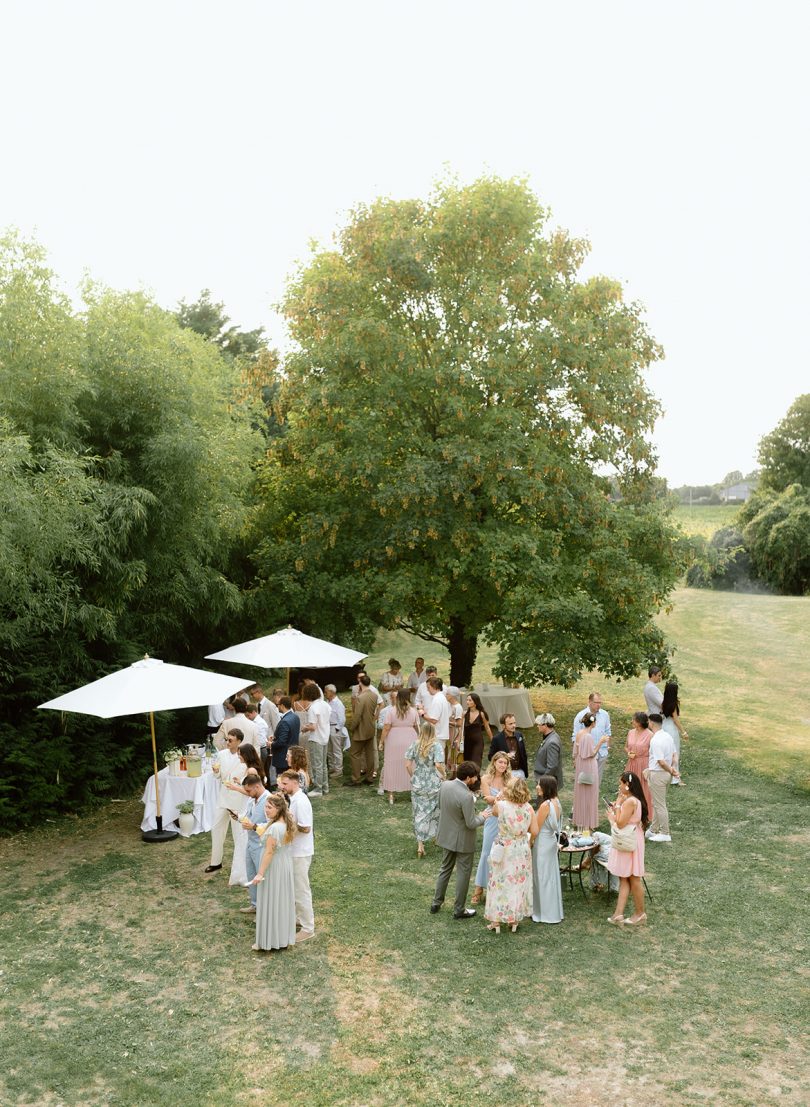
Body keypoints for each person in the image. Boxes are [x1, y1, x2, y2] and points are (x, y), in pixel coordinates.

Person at [430, 761, 492, 918]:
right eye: (475, 777)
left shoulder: (445, 785)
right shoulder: (466, 796)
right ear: (469, 778)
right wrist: (483, 816)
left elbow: (440, 805)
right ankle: (459, 909)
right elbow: (471, 823)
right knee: (463, 875)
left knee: (445, 869)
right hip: (463, 840)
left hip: (446, 835)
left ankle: (436, 903)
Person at [248, 792, 297, 951]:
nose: (266, 810)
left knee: (271, 899)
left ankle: (268, 941)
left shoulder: (275, 827)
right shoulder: (285, 823)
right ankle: (281, 939)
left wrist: (260, 873)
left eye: (269, 807)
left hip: (274, 866)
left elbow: (269, 852)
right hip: (284, 865)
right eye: (265, 807)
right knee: (280, 900)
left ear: (278, 809)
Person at [484, 775, 534, 933]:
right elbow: (535, 830)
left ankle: (496, 922)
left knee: (498, 882)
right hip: (521, 848)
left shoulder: (501, 805)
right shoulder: (528, 808)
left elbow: (493, 813)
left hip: (504, 848)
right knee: (517, 884)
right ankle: (514, 921)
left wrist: (498, 797)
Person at [606, 770, 649, 925]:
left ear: (628, 785)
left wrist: (614, 811)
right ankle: (618, 913)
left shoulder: (631, 801)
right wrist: (618, 804)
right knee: (624, 877)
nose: (619, 786)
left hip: (630, 839)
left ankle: (640, 913)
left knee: (633, 877)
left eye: (621, 783)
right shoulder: (630, 800)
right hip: (629, 838)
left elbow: (621, 822)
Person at [205, 730, 248, 880]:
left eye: (230, 740)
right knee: (216, 828)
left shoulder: (243, 756)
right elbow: (218, 775)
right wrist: (215, 772)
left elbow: (249, 779)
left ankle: (240, 868)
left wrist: (239, 782)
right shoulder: (222, 754)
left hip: (237, 800)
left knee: (238, 835)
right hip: (223, 798)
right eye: (227, 740)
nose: (227, 743)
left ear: (238, 741)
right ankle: (216, 862)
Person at [278, 769, 315, 942]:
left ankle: (308, 928)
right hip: (294, 850)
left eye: (285, 784)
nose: (282, 787)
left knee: (302, 890)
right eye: (281, 784)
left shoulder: (301, 801)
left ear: (295, 782)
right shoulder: (293, 800)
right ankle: (299, 919)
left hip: (301, 852)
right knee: (294, 889)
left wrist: (288, 823)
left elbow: (306, 828)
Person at [471, 752, 512, 905]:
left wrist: (499, 799)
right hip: (492, 818)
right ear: (494, 762)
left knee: (504, 853)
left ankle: (499, 888)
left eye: (505, 763)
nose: (503, 765)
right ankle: (479, 889)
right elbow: (487, 799)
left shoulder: (510, 779)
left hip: (507, 818)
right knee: (487, 852)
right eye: (500, 762)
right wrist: (500, 798)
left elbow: (515, 797)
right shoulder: (485, 779)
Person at [404, 721, 446, 857]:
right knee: (435, 808)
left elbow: (407, 765)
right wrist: (444, 775)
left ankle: (420, 845)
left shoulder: (414, 744)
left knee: (419, 812)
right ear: (433, 732)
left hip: (418, 782)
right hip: (433, 782)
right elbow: (438, 765)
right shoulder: (436, 746)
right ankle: (435, 836)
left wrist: (412, 776)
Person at [530, 774, 564, 924]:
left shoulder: (545, 806)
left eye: (539, 784)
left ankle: (543, 912)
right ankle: (552, 910)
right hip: (550, 841)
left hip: (542, 842)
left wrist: (530, 841)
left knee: (541, 877)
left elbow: (535, 829)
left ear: (546, 788)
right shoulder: (557, 802)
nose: (537, 787)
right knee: (550, 876)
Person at [238, 772, 271, 913]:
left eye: (249, 790)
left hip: (262, 845)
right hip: (250, 843)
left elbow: (271, 825)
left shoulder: (269, 800)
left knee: (261, 877)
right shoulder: (252, 799)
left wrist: (253, 826)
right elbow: (249, 816)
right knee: (251, 874)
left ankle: (264, 909)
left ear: (257, 786)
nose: (247, 793)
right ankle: (255, 904)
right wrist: (239, 817)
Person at [379, 688, 419, 804]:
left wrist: (381, 742)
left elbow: (386, 728)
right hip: (410, 738)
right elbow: (417, 727)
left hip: (394, 739)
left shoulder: (391, 711)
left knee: (391, 764)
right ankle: (413, 792)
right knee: (411, 764)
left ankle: (391, 795)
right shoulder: (413, 711)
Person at [573, 712, 607, 833]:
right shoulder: (587, 736)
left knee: (581, 793)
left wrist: (575, 761)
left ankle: (580, 820)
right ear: (593, 722)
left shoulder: (579, 734)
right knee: (590, 793)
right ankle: (588, 823)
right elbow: (591, 753)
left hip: (580, 765)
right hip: (588, 765)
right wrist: (601, 742)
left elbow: (575, 752)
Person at [647, 714, 676, 842]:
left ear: (651, 723)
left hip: (658, 774)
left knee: (659, 805)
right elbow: (675, 754)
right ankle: (653, 829)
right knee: (657, 803)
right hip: (666, 774)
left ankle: (665, 833)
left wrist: (671, 770)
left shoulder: (655, 740)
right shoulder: (668, 736)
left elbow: (661, 761)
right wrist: (673, 768)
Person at [571, 692, 611, 784]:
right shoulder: (580, 716)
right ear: (589, 702)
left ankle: (595, 797)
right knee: (586, 781)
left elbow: (608, 732)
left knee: (597, 782)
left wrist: (607, 747)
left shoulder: (605, 714)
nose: (598, 705)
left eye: (600, 703)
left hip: (602, 753)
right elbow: (575, 737)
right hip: (586, 756)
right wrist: (575, 758)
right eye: (596, 702)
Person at [301, 683, 331, 796]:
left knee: (317, 764)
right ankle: (325, 786)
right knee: (323, 765)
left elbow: (313, 726)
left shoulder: (313, 708)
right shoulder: (325, 705)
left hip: (316, 738)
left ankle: (318, 789)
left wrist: (305, 728)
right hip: (325, 737)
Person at [348, 673, 378, 785]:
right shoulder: (374, 695)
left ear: (360, 683)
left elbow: (357, 715)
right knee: (369, 753)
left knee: (354, 753)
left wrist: (352, 727)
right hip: (370, 727)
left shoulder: (360, 698)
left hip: (361, 729)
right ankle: (369, 777)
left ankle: (356, 779)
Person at [624, 711, 654, 822]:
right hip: (631, 763)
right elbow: (626, 747)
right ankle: (629, 812)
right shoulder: (630, 732)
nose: (632, 721)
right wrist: (628, 753)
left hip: (643, 764)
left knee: (643, 789)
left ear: (640, 722)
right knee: (630, 788)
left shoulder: (650, 735)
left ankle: (644, 814)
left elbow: (653, 752)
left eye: (634, 720)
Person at [661, 681, 688, 784]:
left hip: (664, 727)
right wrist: (683, 732)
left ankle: (666, 775)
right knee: (674, 752)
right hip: (671, 729)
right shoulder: (673, 704)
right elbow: (676, 720)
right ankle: (676, 778)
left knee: (665, 752)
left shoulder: (664, 703)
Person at [488, 713, 529, 778]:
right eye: (510, 724)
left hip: (521, 772)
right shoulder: (497, 739)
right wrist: (504, 756)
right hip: (506, 773)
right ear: (503, 726)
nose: (514, 725)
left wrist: (525, 772)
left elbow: (524, 753)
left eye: (514, 723)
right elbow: (490, 757)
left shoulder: (519, 735)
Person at [270, 696, 300, 779]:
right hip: (293, 754)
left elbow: (282, 741)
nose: (277, 707)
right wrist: (276, 737)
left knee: (283, 779)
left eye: (278, 705)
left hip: (283, 757)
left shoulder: (285, 721)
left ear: (282, 705)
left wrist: (271, 744)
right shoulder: (295, 717)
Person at [533, 713, 562, 792]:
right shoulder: (552, 736)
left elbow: (552, 766)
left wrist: (542, 782)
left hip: (547, 784)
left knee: (545, 804)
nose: (537, 726)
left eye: (539, 724)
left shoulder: (552, 742)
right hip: (547, 781)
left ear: (545, 725)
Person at [462, 693, 492, 768]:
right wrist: (460, 740)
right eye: (467, 700)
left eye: (470, 700)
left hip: (478, 742)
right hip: (467, 742)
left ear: (475, 702)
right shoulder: (465, 713)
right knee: (467, 763)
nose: (467, 702)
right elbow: (461, 729)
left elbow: (487, 728)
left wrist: (493, 740)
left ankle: (477, 778)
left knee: (476, 761)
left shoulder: (481, 714)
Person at [423, 676, 451, 752]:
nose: (427, 690)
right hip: (439, 734)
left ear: (434, 687)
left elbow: (434, 720)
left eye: (428, 687)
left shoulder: (437, 699)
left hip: (437, 735)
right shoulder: (441, 697)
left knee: (436, 761)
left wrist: (422, 714)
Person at [324, 684, 346, 777]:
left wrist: (337, 729)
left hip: (334, 727)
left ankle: (338, 770)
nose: (325, 694)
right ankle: (332, 767)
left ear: (332, 692)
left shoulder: (338, 703)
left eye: (326, 692)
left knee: (336, 750)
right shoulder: (327, 702)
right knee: (329, 750)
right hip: (327, 727)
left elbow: (342, 718)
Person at [445, 687, 464, 775]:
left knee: (453, 753)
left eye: (448, 694)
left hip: (454, 733)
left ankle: (454, 775)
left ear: (452, 696)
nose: (446, 695)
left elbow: (459, 724)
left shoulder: (458, 707)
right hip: (448, 732)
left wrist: (446, 721)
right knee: (447, 752)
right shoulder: (448, 705)